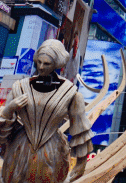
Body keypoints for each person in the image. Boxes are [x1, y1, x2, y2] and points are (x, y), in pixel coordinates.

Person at [0, 39, 93, 183]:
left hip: (52, 152)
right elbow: (2, 133)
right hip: (20, 149)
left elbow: (80, 129)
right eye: (39, 62)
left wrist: (81, 163)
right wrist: (10, 108)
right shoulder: (19, 87)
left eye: (47, 63)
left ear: (57, 64)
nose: (41, 67)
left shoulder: (71, 93)